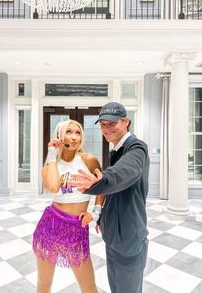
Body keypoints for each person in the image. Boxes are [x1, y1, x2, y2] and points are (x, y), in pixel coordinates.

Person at [71, 102, 150, 293]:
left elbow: (123, 172)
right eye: (103, 124)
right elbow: (117, 191)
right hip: (114, 236)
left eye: (112, 123)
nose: (106, 129)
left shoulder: (136, 148)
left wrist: (100, 180)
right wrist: (102, 216)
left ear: (126, 122)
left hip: (129, 240)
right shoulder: (116, 149)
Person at [33, 119, 105, 293]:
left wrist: (95, 214)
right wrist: (52, 153)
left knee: (89, 288)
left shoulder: (89, 160)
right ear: (60, 135)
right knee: (43, 286)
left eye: (78, 132)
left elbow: (103, 188)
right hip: (50, 226)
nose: (74, 137)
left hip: (76, 228)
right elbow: (52, 187)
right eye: (69, 132)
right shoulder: (51, 165)